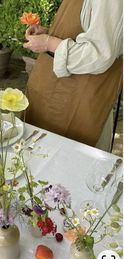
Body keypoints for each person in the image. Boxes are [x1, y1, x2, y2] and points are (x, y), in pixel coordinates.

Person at [23, 0, 123, 152]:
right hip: (57, 93)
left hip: (80, 98)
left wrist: (49, 43)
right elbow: (89, 31)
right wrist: (49, 33)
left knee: (67, 162)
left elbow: (99, 55)